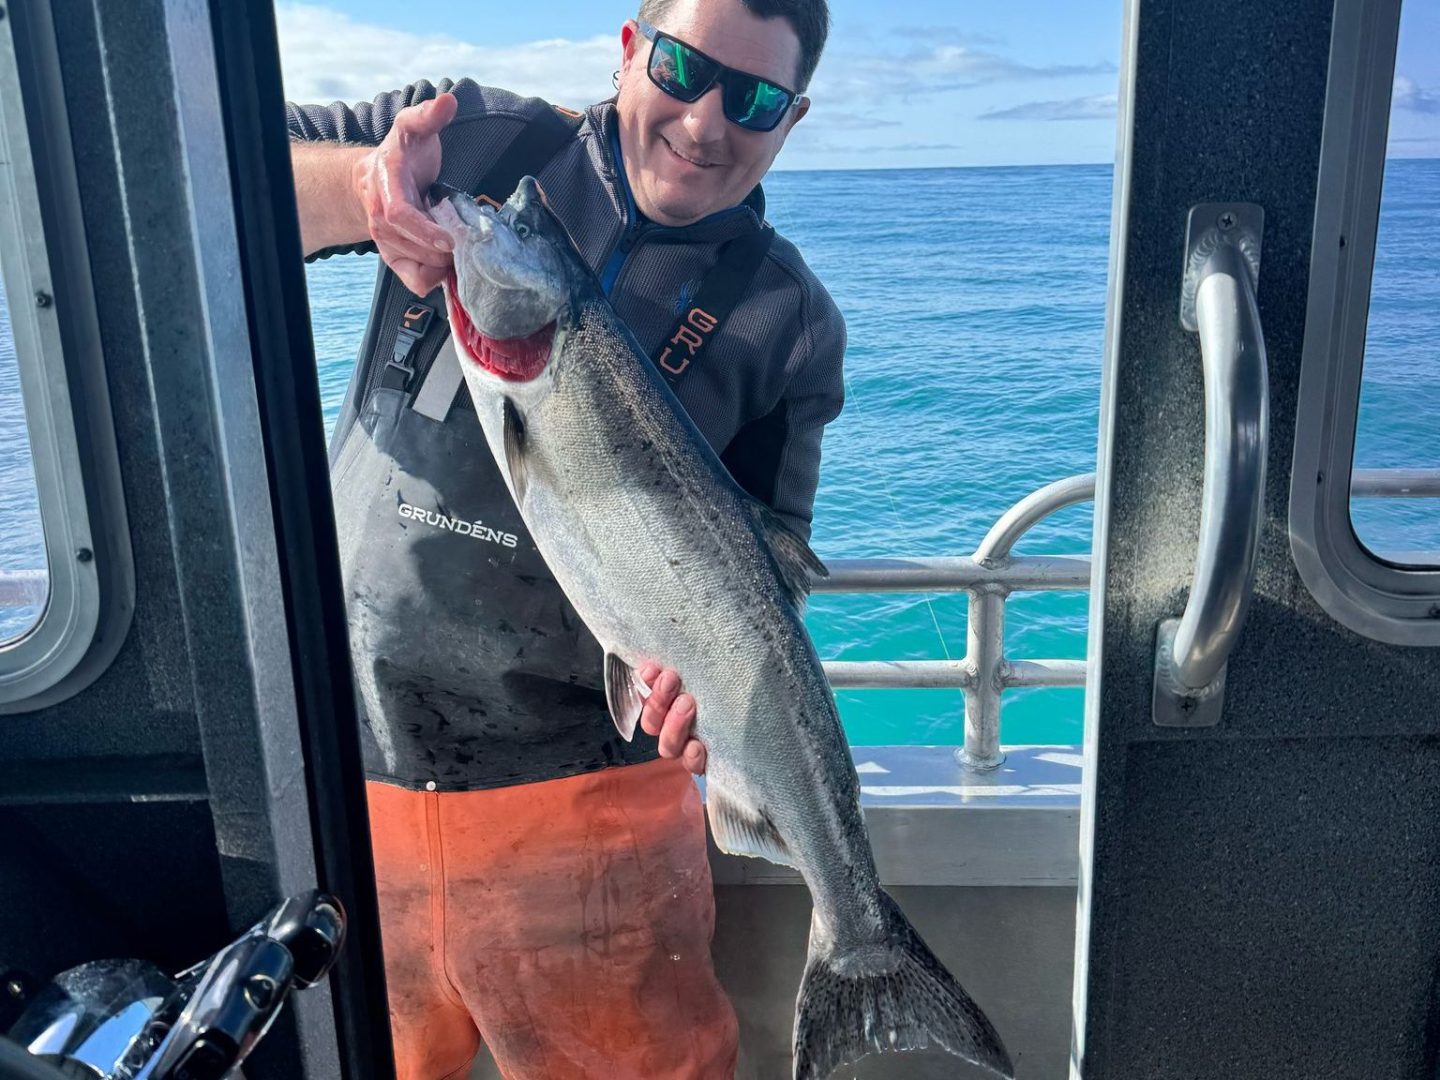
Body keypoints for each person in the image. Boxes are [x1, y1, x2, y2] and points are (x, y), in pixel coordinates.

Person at [287, 0, 842, 1075]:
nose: (705, 119)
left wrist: (709, 718)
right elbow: (211, 179)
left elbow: (765, 593)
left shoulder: (787, 319)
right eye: (683, 67)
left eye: (756, 97)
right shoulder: (479, 143)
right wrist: (366, 191)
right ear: (632, 49)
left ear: (794, 117)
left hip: (596, 803)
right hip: (341, 767)